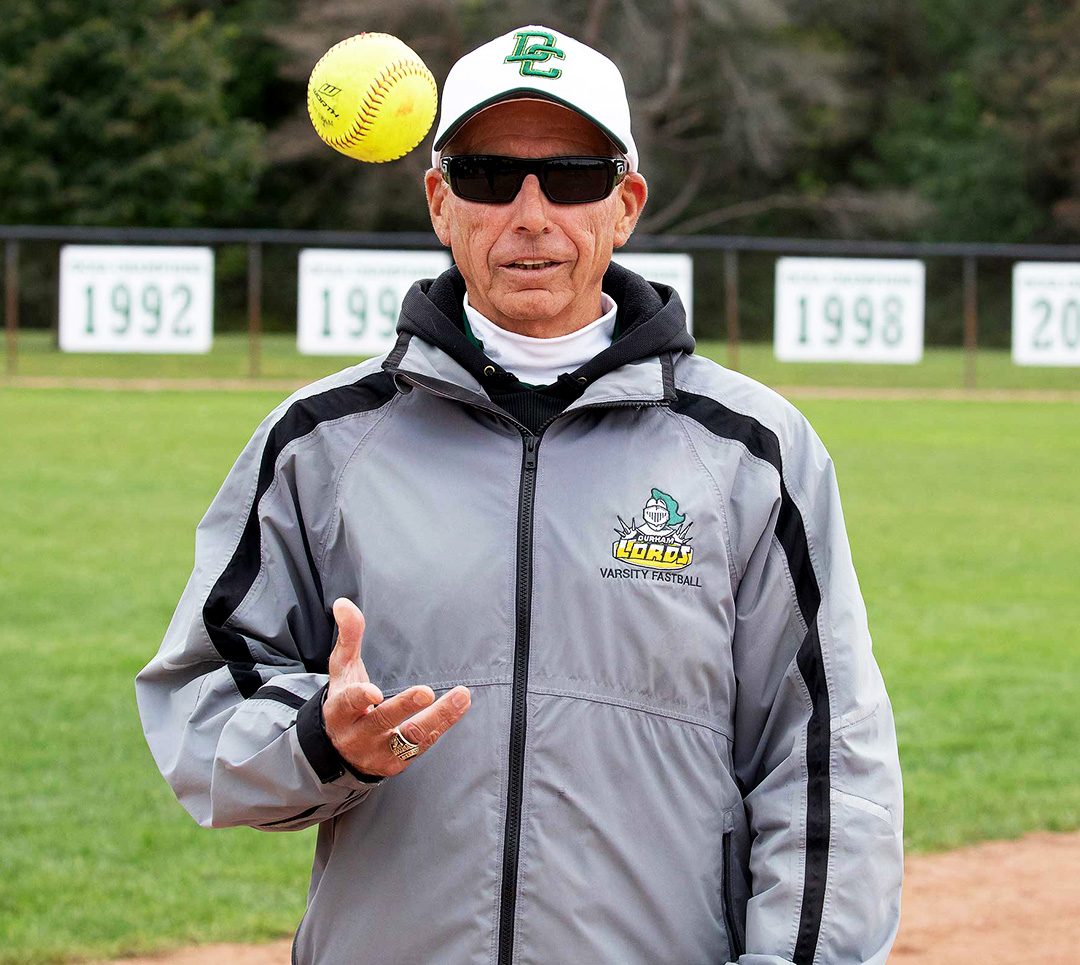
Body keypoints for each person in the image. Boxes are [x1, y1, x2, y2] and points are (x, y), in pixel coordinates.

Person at [136, 24, 903, 965]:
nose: (531, 213)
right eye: (489, 176)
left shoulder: (752, 452)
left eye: (573, 176)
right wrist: (319, 739)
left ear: (625, 205)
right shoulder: (320, 442)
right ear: (439, 203)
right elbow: (203, 698)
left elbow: (828, 761)